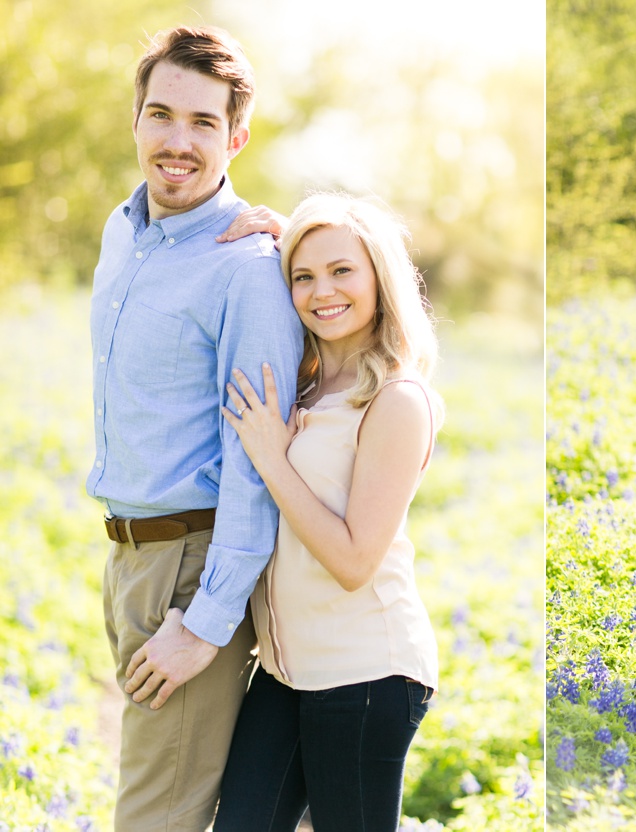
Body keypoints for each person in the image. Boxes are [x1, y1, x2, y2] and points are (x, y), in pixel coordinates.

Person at [86, 25, 302, 830]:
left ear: (236, 137)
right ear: (136, 120)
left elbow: (258, 460)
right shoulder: (123, 232)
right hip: (131, 555)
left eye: (204, 123)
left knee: (155, 815)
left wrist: (205, 625)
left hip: (193, 565)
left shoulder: (246, 268)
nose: (178, 142)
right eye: (161, 115)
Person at [210, 193, 441, 831]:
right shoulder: (309, 384)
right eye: (303, 277)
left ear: (380, 278)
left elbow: (352, 560)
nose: (321, 291)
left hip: (367, 673)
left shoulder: (396, 400)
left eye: (343, 271)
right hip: (285, 671)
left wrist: (271, 457)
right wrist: (290, 237)